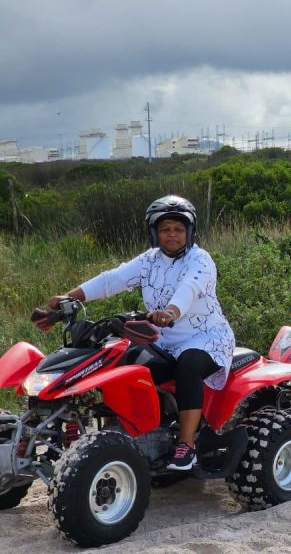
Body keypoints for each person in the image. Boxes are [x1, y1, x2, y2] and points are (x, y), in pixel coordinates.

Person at [47, 195, 235, 471]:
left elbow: (190, 289)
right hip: (163, 339)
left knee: (189, 365)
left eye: (179, 229)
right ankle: (118, 432)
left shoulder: (200, 260)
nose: (172, 235)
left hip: (206, 338)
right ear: (155, 233)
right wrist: (71, 297)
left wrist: (170, 312)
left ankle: (187, 444)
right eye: (165, 229)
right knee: (123, 362)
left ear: (190, 232)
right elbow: (113, 279)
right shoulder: (149, 260)